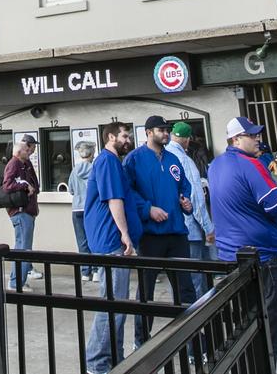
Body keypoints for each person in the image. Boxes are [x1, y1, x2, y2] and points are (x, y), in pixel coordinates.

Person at [207, 116, 277, 364]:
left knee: (244, 326)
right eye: (252, 135)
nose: (258, 139)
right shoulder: (250, 164)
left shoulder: (215, 165)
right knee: (270, 329)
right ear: (235, 139)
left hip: (230, 257)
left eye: (257, 135)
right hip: (260, 258)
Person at [124, 115, 194, 346]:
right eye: (161, 130)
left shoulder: (173, 158)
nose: (165, 133)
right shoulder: (134, 160)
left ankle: (192, 341)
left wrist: (186, 203)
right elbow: (126, 192)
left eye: (167, 130)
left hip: (177, 233)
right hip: (150, 235)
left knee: (185, 290)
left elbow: (184, 186)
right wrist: (147, 209)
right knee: (146, 292)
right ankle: (141, 342)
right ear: (148, 132)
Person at [83, 123, 142, 374]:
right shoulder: (107, 161)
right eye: (125, 136)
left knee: (118, 303)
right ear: (110, 137)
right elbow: (113, 199)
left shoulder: (114, 161)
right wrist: (125, 234)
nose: (128, 139)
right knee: (114, 303)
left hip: (112, 239)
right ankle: (97, 363)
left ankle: (114, 359)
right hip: (111, 240)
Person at [165, 121, 215, 298]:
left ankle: (181, 317)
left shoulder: (162, 156)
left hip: (170, 228)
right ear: (187, 140)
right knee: (195, 277)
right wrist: (208, 228)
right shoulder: (184, 160)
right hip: (190, 230)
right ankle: (199, 319)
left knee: (179, 277)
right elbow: (195, 197)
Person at [3, 134, 40, 291]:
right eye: (28, 148)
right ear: (20, 150)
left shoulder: (26, 164)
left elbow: (36, 185)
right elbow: (7, 185)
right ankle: (17, 282)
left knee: (22, 247)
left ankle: (17, 281)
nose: (31, 151)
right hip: (20, 211)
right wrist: (25, 185)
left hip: (27, 210)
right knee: (24, 248)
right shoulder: (14, 164)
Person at [67, 140, 95, 279]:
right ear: (92, 153)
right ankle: (96, 270)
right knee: (94, 239)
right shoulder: (95, 169)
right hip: (91, 208)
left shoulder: (74, 170)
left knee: (82, 241)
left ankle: (85, 272)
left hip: (76, 209)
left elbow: (71, 190)